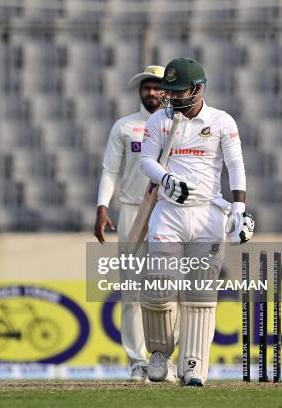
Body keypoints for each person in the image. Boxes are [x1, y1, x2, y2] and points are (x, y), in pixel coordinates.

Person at [139, 57, 254, 386]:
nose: (172, 97)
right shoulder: (160, 121)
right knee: (159, 284)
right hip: (168, 213)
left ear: (199, 89)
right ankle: (160, 352)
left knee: (199, 293)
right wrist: (165, 179)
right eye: (169, 91)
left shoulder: (221, 121)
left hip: (207, 214)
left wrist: (239, 208)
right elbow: (146, 160)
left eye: (179, 91)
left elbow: (235, 164)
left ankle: (194, 364)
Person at [93, 65, 175, 382]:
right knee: (132, 291)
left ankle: (165, 358)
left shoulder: (177, 126)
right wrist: (102, 206)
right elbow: (109, 170)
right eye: (146, 87)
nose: (152, 92)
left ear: (167, 91)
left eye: (157, 87)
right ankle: (138, 361)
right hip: (130, 211)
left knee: (170, 288)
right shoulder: (125, 127)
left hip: (169, 212)